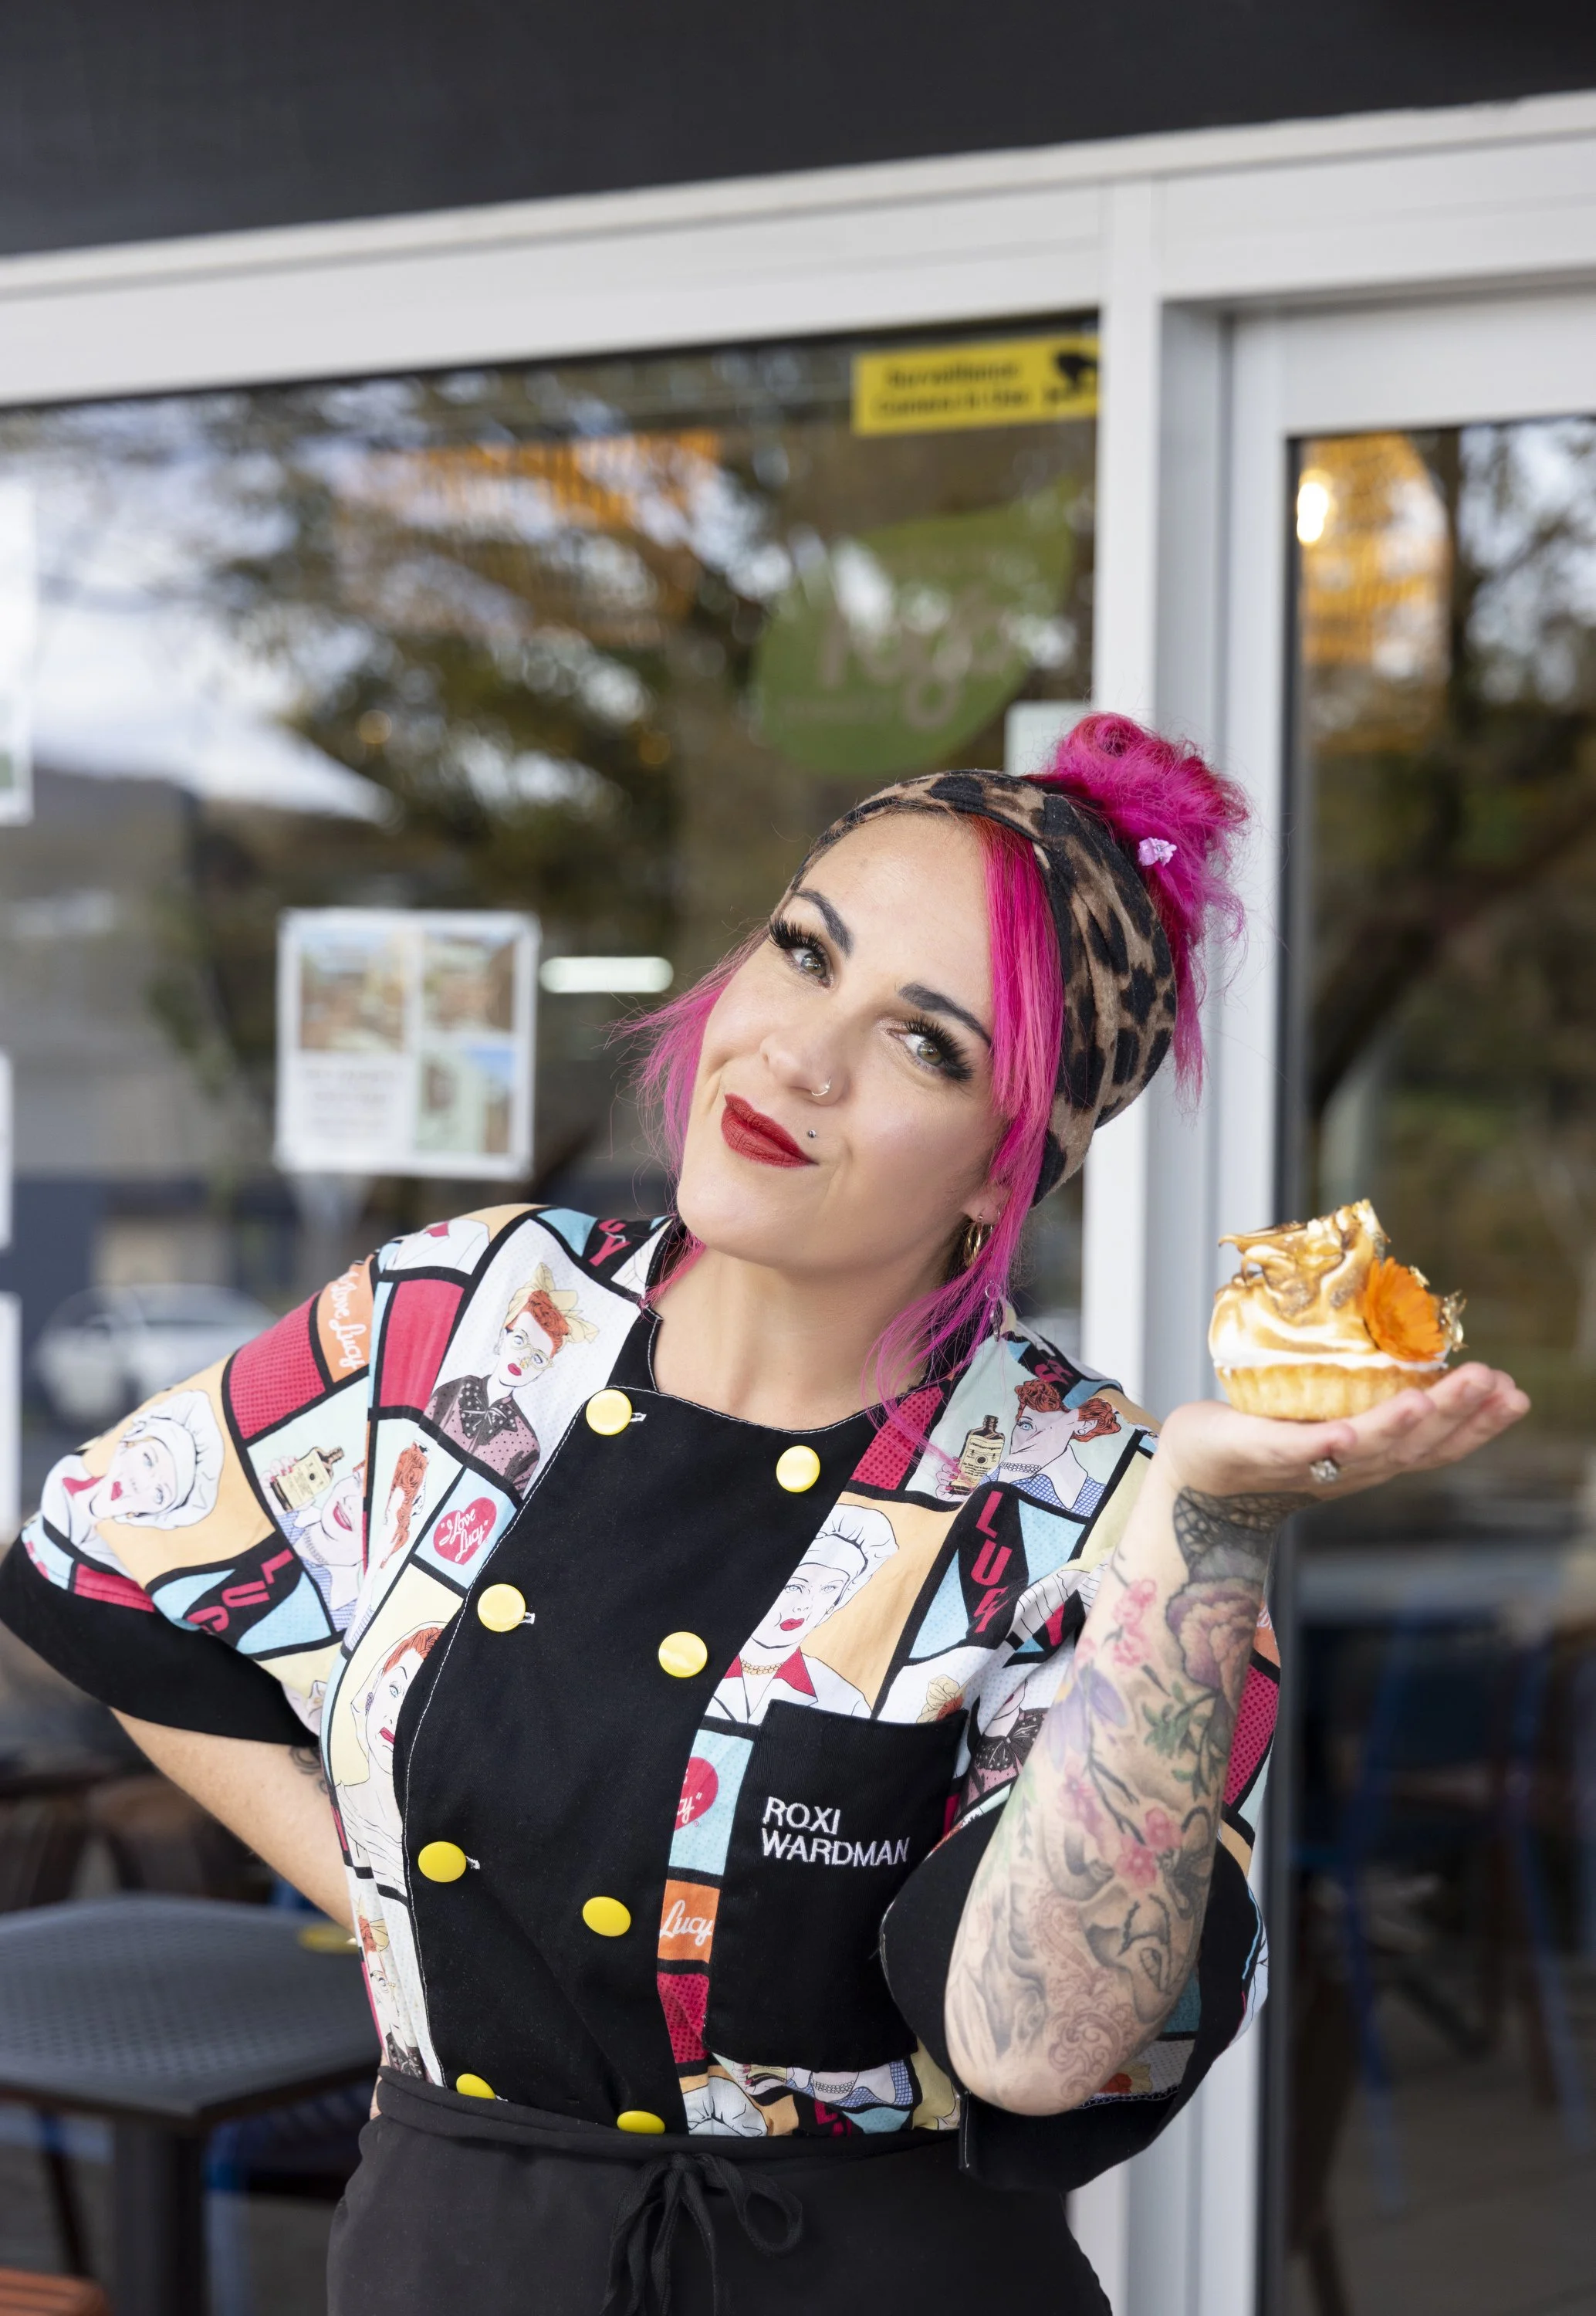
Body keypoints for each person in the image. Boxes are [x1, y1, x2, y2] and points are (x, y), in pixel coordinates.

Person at [0, 716, 1527, 2315]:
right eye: (804, 953)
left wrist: (1206, 1527)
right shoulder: (467, 1320)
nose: (800, 1055)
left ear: (1003, 1171)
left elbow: (1038, 2049)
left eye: (925, 1042)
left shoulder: (1089, 1495)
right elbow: (107, 1567)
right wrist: (388, 1904)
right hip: (452, 2253)